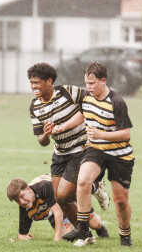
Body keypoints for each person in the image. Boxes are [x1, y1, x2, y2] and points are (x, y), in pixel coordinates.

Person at [26, 62, 109, 238]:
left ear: (49, 81)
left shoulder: (68, 92)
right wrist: (46, 134)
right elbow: (42, 141)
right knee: (60, 199)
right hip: (60, 152)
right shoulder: (35, 107)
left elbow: (90, 106)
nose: (33, 86)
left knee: (64, 194)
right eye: (31, 83)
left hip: (80, 148)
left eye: (37, 82)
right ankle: (86, 234)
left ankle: (93, 187)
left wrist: (64, 126)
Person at [63, 62, 135, 247]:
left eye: (92, 83)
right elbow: (83, 115)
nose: (88, 87)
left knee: (120, 201)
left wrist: (102, 134)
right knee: (82, 181)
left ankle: (125, 234)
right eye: (86, 83)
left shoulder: (116, 101)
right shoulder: (87, 98)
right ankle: (83, 229)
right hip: (96, 149)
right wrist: (62, 127)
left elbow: (126, 134)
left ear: (103, 81)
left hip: (120, 155)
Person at [6, 175, 105, 242]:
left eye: (22, 196)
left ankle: (96, 185)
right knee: (68, 235)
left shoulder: (43, 187)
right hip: (53, 208)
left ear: (28, 189)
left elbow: (58, 213)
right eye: (17, 200)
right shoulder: (24, 207)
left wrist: (57, 239)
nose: (22, 202)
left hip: (66, 196)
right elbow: (22, 235)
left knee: (95, 224)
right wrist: (24, 237)